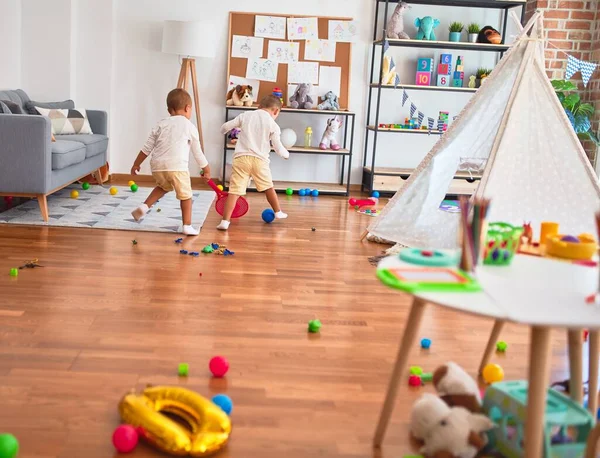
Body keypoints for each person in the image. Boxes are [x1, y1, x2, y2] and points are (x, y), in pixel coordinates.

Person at [130, 88, 210, 236]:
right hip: (177, 167)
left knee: (163, 187)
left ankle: (144, 207)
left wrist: (136, 164)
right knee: (186, 195)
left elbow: (147, 148)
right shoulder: (189, 126)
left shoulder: (161, 124)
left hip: (157, 166)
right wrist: (206, 169)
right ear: (188, 108)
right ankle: (187, 225)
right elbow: (197, 151)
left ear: (169, 110)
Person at [218, 94, 289, 231]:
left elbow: (226, 127)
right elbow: (277, 146)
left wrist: (223, 131)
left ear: (259, 106)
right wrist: (285, 155)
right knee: (268, 187)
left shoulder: (246, 115)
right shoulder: (273, 124)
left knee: (234, 191)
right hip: (260, 161)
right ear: (276, 111)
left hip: (241, 159)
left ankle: (225, 221)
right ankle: (278, 211)